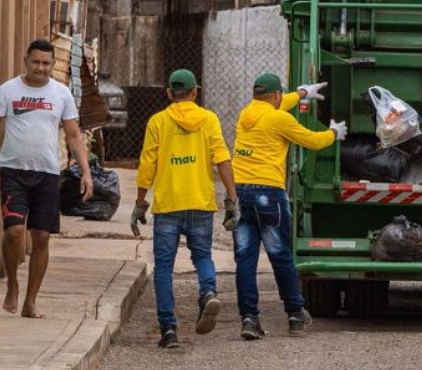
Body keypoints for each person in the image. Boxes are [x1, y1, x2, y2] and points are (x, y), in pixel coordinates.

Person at [0, 39, 92, 318]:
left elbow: (74, 134)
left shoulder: (61, 94)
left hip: (48, 174)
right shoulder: (8, 90)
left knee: (41, 236)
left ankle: (30, 300)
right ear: (26, 61)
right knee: (15, 231)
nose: (40, 68)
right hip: (13, 171)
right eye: (36, 62)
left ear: (53, 65)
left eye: (46, 63)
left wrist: (86, 171)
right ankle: (13, 284)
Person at [231, 72, 346, 340]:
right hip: (268, 193)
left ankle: (249, 319)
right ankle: (295, 314)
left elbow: (276, 106)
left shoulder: (247, 113)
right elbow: (313, 140)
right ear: (275, 95)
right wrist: (334, 133)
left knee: (245, 259)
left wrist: (302, 93)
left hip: (240, 193)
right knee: (280, 255)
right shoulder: (280, 118)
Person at [131, 69, 238, 349]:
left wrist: (140, 203)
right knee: (202, 256)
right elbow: (223, 160)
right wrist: (231, 199)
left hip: (168, 205)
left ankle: (168, 330)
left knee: (164, 267)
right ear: (194, 92)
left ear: (169, 93)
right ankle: (208, 291)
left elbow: (147, 165)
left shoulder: (158, 121)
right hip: (200, 203)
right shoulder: (209, 119)